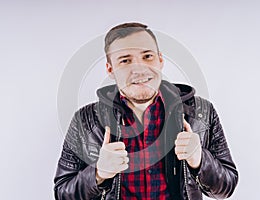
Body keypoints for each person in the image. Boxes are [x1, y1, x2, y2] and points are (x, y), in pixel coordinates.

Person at [54, 22, 238, 200]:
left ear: (160, 60)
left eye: (147, 56)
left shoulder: (202, 113)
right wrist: (98, 173)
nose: (139, 69)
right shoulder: (85, 120)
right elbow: (62, 192)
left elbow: (226, 188)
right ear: (110, 69)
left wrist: (199, 160)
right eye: (125, 60)